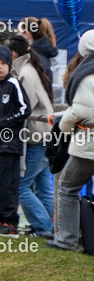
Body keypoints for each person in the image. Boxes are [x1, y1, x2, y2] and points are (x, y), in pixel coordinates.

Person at [6, 34, 54, 238]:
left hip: (37, 136)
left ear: (14, 53)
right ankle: (52, 228)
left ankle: (44, 227)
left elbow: (24, 107)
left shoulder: (25, 72)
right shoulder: (29, 68)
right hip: (45, 135)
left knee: (22, 186)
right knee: (44, 187)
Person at [0, 45, 30, 237]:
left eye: (3, 63)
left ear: (9, 65)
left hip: (10, 144)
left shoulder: (14, 84)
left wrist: (1, 125)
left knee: (7, 183)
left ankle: (11, 223)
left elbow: (24, 109)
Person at [50, 30, 94, 251]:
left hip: (89, 144)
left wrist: (64, 126)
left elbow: (78, 111)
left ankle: (66, 241)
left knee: (67, 188)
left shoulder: (86, 76)